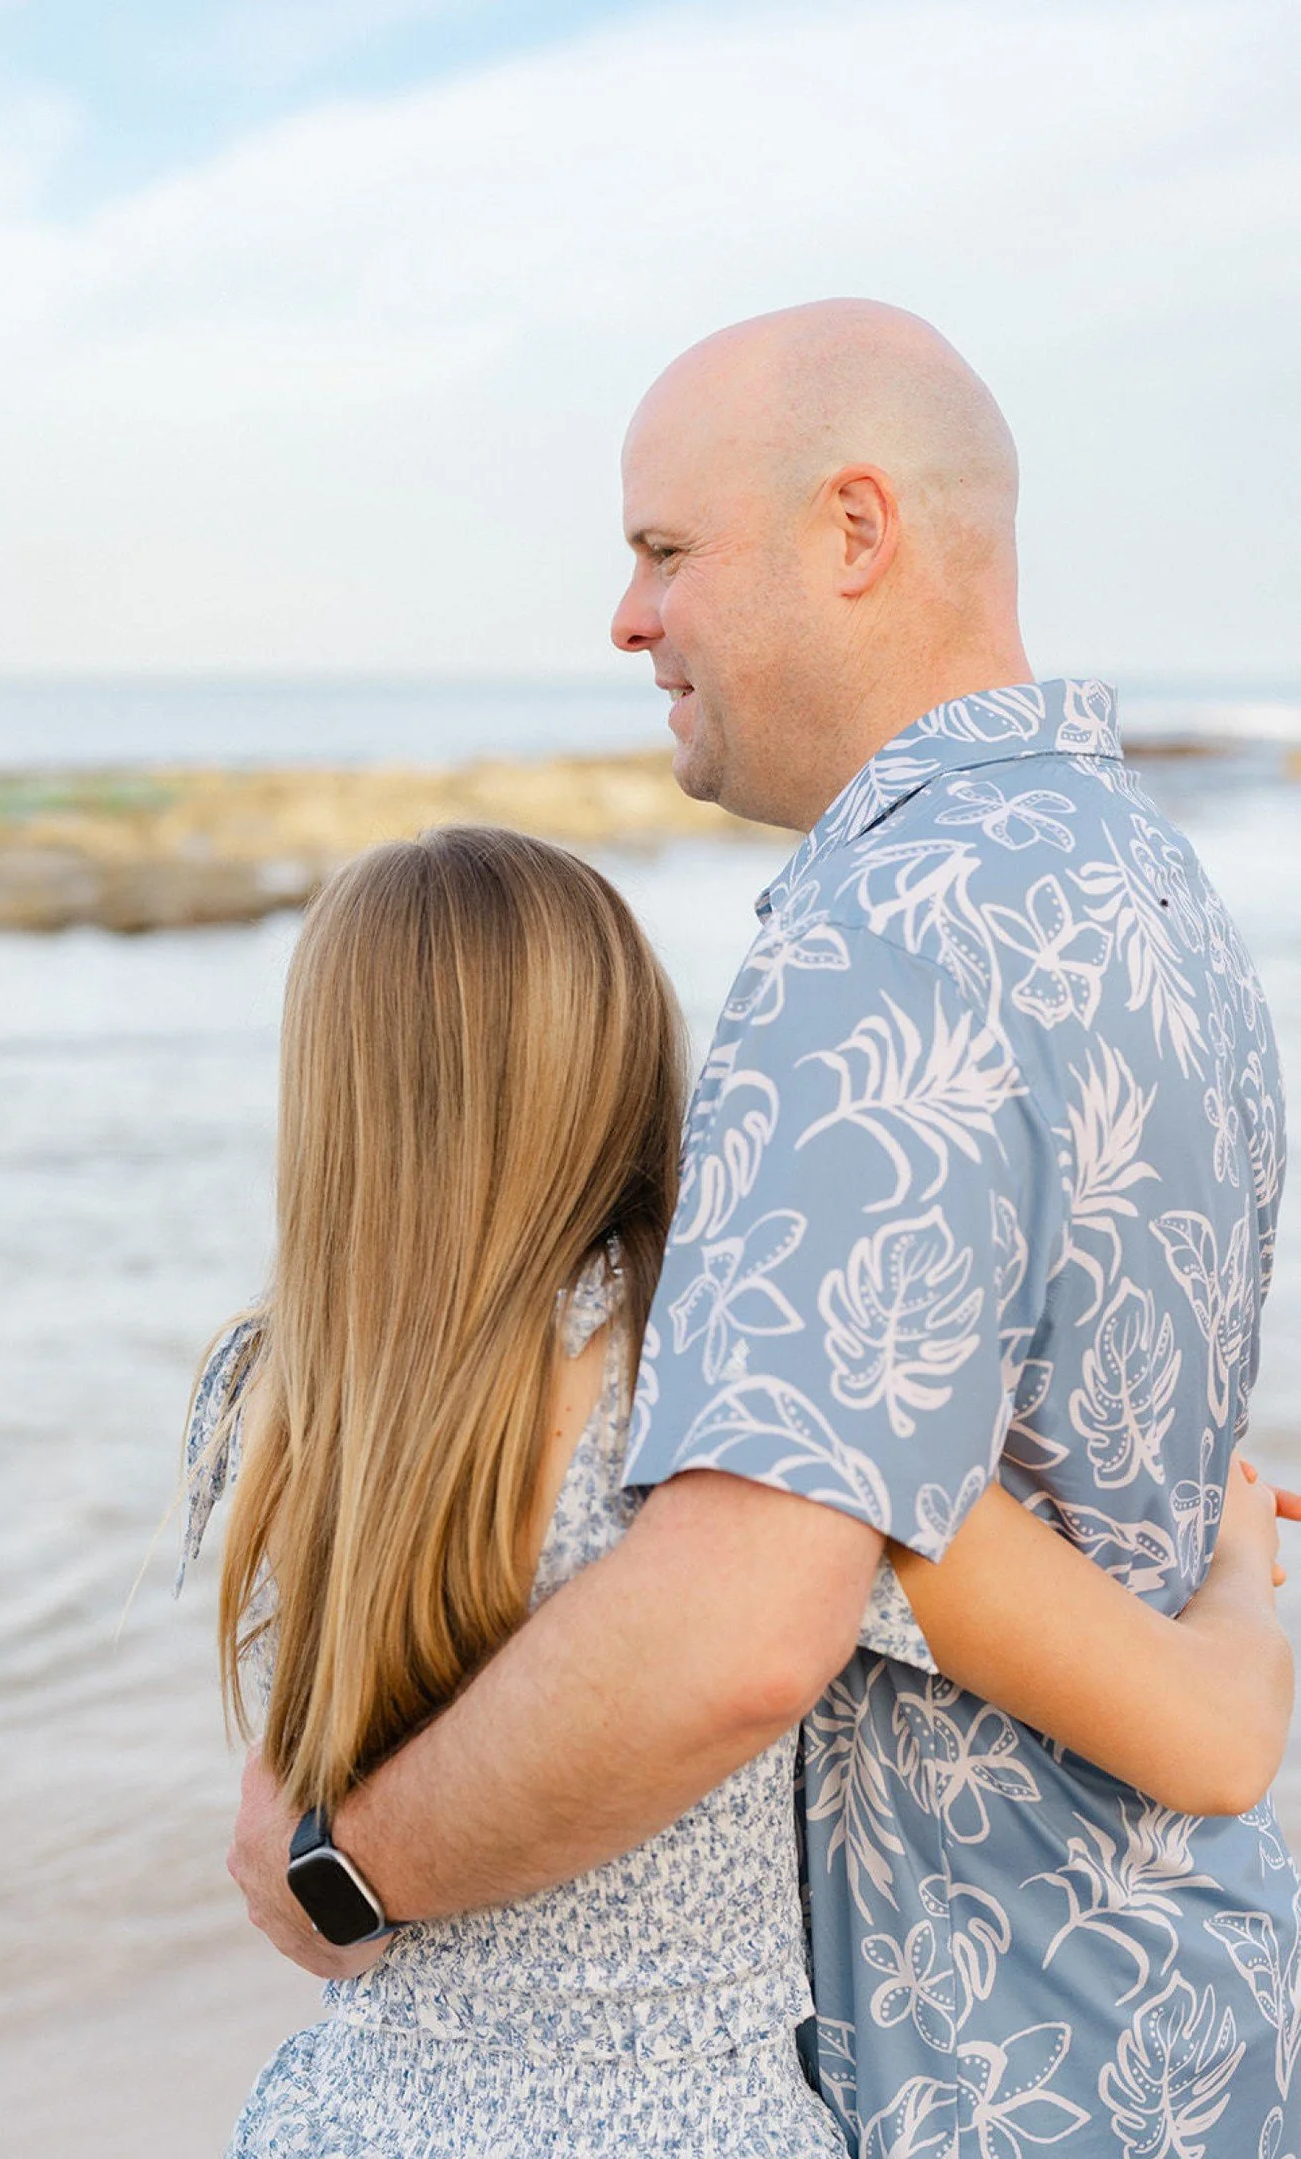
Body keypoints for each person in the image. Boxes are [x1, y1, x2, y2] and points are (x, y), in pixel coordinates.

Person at [226, 301, 1301, 2152]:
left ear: (857, 529)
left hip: (979, 2071)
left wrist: (340, 1868)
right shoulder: (1150, 886)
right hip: (1185, 2013)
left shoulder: (875, 939)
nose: (629, 618)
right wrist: (1222, 1546)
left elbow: (742, 1622)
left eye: (663, 551)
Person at [190, 825, 1289, 2157]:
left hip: (350, 2114)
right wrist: (1228, 1557)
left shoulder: (262, 1395)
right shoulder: (729, 1391)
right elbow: (1217, 1741)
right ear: (630, 1059)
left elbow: (315, 1867)